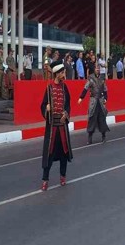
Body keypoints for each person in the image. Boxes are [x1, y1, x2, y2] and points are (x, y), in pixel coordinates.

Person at [40, 60, 73, 191]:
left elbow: (68, 104)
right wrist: (46, 109)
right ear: (57, 74)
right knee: (49, 154)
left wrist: (66, 113)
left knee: (64, 153)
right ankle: (45, 179)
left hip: (62, 126)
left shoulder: (65, 88)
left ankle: (63, 176)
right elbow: (42, 105)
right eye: (62, 72)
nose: (64, 74)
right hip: (52, 126)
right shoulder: (49, 89)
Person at [79, 64, 110, 144]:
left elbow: (105, 89)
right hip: (93, 101)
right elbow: (85, 88)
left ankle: (103, 136)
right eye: (96, 68)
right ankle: (90, 137)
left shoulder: (102, 78)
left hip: (101, 100)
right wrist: (81, 97)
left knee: (102, 118)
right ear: (94, 69)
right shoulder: (91, 78)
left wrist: (106, 98)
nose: (98, 70)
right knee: (92, 118)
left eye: (99, 68)